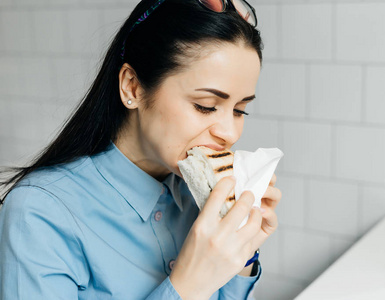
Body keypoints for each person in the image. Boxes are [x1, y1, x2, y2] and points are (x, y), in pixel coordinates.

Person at [0, 0, 282, 299]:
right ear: (132, 87)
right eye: (206, 106)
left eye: (240, 110)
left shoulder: (200, 197)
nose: (229, 132)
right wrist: (188, 285)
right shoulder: (40, 212)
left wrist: (242, 251)